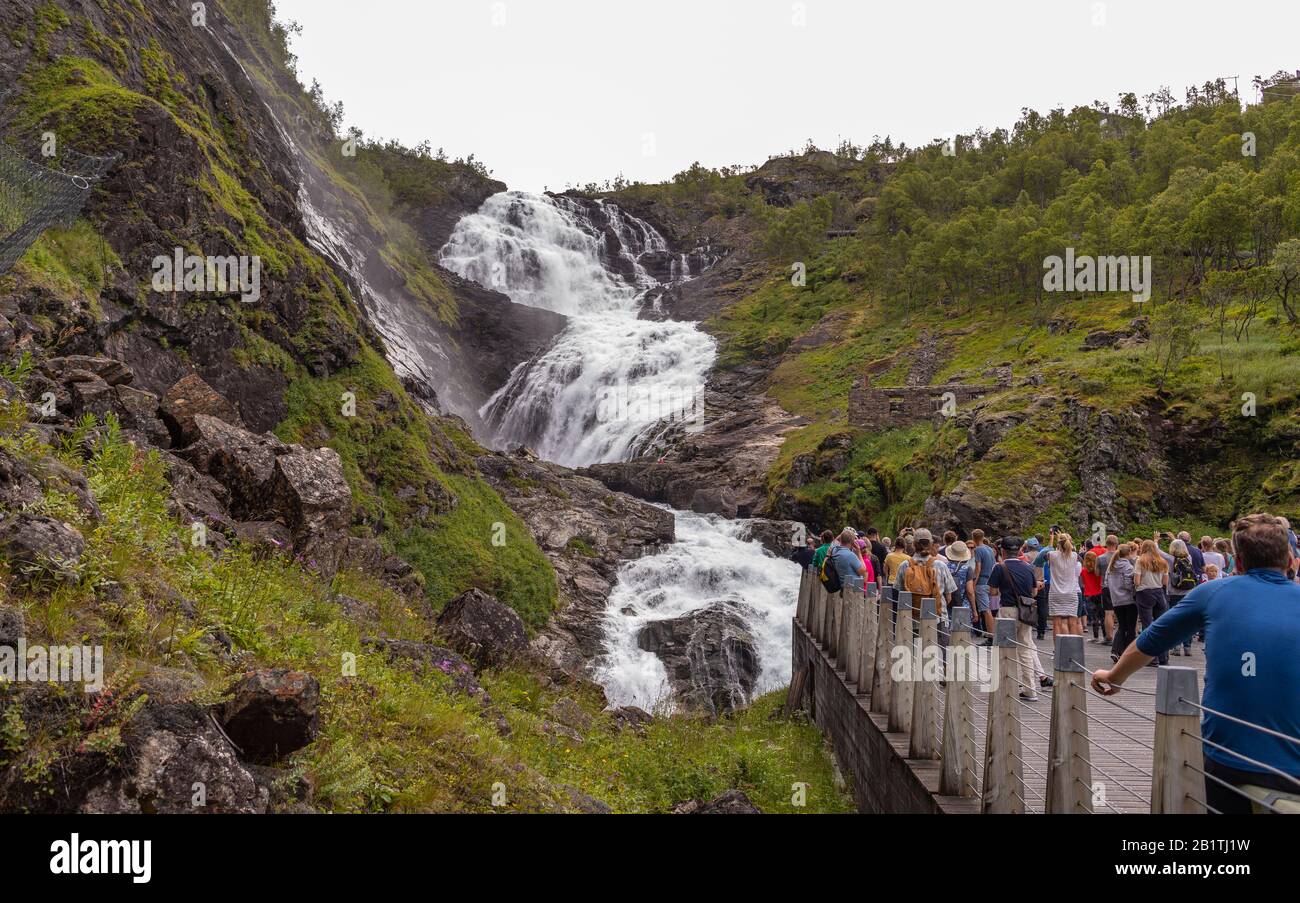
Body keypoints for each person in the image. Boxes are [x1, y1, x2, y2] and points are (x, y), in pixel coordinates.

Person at [1093, 514, 1300, 814]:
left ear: (1238, 564)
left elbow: (1148, 643)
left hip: (1230, 760)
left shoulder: (1212, 593)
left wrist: (1113, 677)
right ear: (1290, 559)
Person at [987, 536, 1050, 699]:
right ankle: (1030, 689)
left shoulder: (999, 568)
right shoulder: (1028, 567)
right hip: (1025, 611)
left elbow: (993, 592)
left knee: (1004, 649)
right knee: (1025, 648)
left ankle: (1006, 685)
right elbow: (1034, 592)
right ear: (1020, 550)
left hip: (1007, 610)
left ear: (1003, 551)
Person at [894, 530, 956, 616]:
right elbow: (949, 598)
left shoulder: (904, 565)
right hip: (937, 617)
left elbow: (899, 592)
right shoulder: (941, 566)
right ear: (931, 544)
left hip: (911, 619)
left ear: (913, 544)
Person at [1132, 539, 1170, 666]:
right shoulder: (1162, 561)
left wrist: (1138, 586)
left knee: (1147, 626)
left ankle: (1151, 658)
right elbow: (1165, 582)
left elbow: (1137, 580)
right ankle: (1163, 657)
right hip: (1159, 592)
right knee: (1160, 626)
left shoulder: (1140, 560)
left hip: (1144, 592)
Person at [1045, 533, 1082, 636]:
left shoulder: (1052, 555)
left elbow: (1042, 555)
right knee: (1073, 623)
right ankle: (1072, 648)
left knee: (1057, 624)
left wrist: (1053, 541)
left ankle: (1057, 649)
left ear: (1059, 543)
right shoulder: (1075, 556)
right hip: (1071, 592)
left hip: (1056, 593)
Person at [1105, 542, 1137, 663]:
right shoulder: (1128, 567)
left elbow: (1106, 583)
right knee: (1131, 627)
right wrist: (1134, 590)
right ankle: (1128, 653)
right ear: (1128, 553)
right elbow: (1128, 584)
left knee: (1122, 626)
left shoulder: (1111, 567)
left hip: (1116, 600)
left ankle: (1115, 650)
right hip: (1128, 600)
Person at [1167, 539, 1197, 656]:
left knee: (1175, 620)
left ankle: (1176, 647)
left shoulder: (1170, 559)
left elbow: (1158, 551)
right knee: (1187, 620)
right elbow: (1181, 546)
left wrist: (1155, 541)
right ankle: (1187, 647)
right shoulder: (1188, 558)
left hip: (1174, 593)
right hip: (1188, 592)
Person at [969, 528, 999, 643]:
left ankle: (991, 636)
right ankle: (992, 633)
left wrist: (974, 582)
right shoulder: (990, 549)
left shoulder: (978, 550)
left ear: (973, 538)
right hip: (990, 581)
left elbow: (978, 568)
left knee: (985, 610)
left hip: (981, 582)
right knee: (992, 609)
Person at [1080, 549, 1107, 644]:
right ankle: (1105, 636)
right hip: (1099, 593)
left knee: (1094, 617)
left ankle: (1096, 637)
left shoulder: (1083, 571)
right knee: (1102, 616)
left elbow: (1083, 583)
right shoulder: (1098, 571)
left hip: (1089, 594)